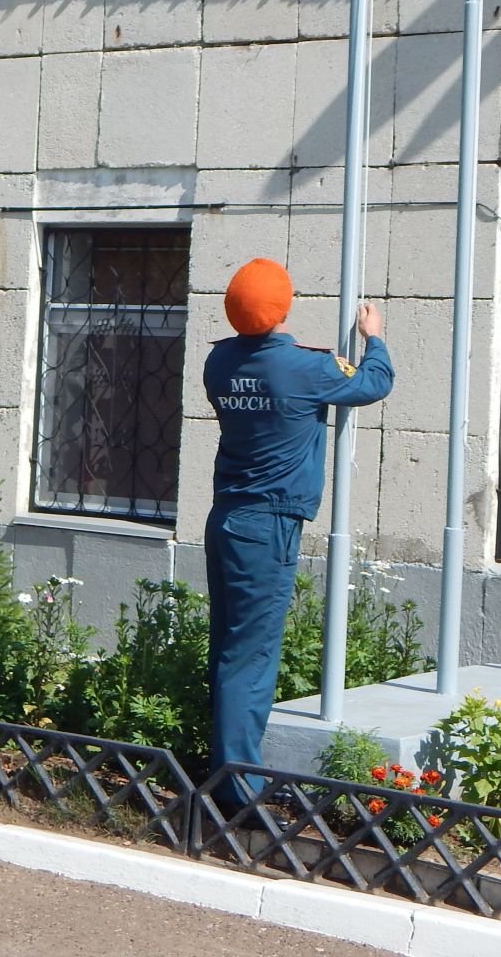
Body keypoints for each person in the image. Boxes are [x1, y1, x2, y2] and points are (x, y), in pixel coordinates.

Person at [202, 258, 393, 796]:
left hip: (227, 520)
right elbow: (374, 383)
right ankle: (240, 790)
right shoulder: (305, 368)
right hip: (267, 527)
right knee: (252, 657)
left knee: (230, 650)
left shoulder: (218, 363)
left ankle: (225, 771)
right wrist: (372, 338)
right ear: (284, 308)